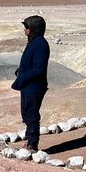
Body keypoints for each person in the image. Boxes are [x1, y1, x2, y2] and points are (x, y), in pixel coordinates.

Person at [11, 15, 50, 151]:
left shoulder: (40, 44)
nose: (24, 30)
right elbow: (31, 62)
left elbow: (38, 68)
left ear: (33, 29)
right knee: (26, 113)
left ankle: (33, 144)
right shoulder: (33, 41)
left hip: (34, 85)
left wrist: (23, 77)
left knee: (31, 115)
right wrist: (21, 70)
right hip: (28, 85)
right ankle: (28, 140)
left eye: (26, 27)